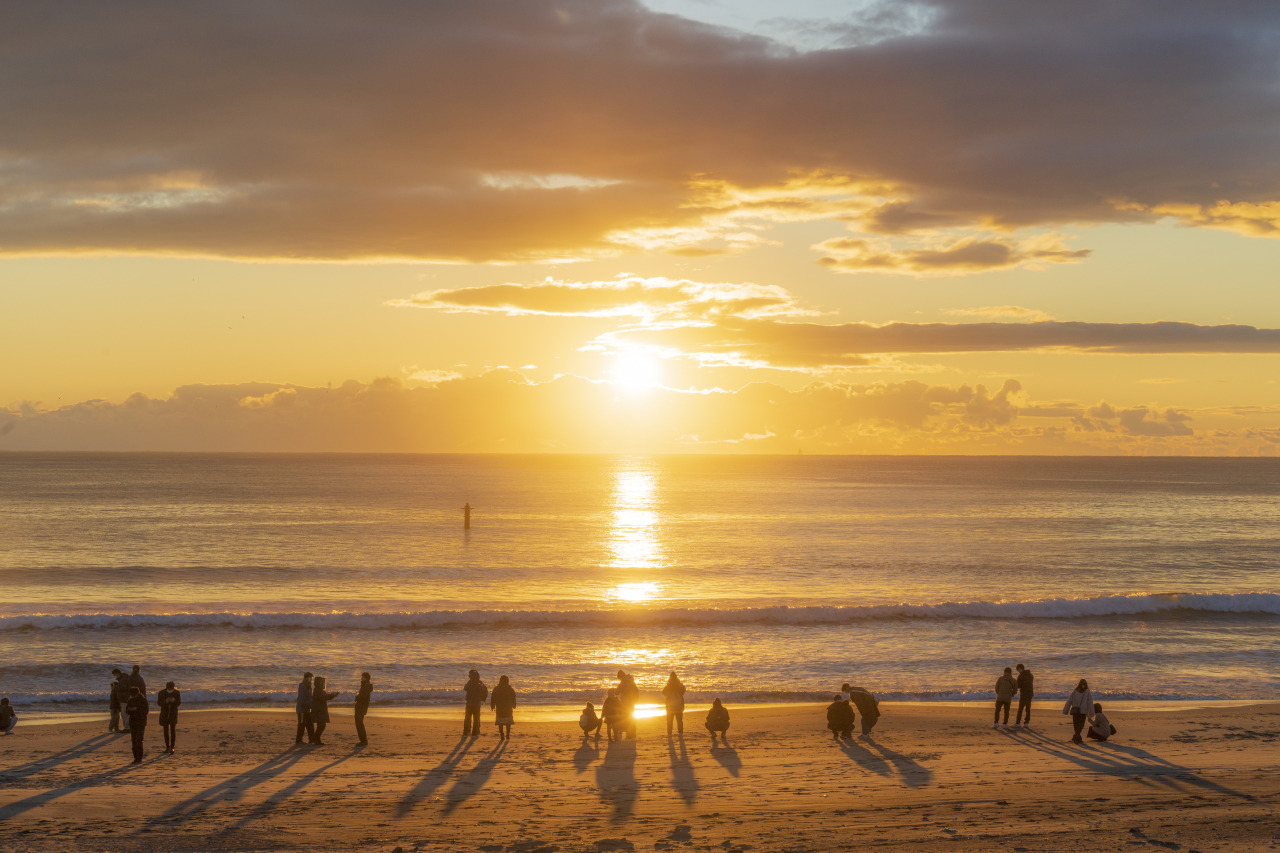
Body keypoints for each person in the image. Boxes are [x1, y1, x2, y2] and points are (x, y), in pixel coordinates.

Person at [1062, 679, 1094, 744]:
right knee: (1080, 726)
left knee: (1076, 726)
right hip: (1083, 712)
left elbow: (1069, 701)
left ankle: (1077, 738)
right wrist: (1091, 713)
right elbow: (1090, 703)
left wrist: (1066, 710)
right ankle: (1076, 737)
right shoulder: (1087, 692)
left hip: (1075, 711)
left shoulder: (1075, 691)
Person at [310, 676, 339, 745]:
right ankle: (316, 738)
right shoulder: (317, 690)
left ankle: (317, 739)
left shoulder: (320, 690)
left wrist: (332, 695)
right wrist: (332, 695)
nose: (323, 683)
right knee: (322, 725)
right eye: (322, 682)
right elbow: (324, 697)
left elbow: (325, 697)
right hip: (318, 710)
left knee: (321, 725)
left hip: (320, 710)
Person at [124, 685, 148, 763]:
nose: (131, 695)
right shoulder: (130, 700)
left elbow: (145, 711)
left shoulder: (142, 700)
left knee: (138, 740)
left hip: (140, 722)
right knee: (134, 740)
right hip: (133, 722)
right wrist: (130, 709)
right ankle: (135, 757)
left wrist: (136, 709)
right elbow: (127, 711)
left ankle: (139, 758)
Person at [156, 681, 181, 754]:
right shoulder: (161, 693)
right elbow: (159, 703)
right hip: (165, 713)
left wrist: (174, 701)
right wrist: (165, 701)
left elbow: (178, 703)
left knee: (173, 730)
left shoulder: (176, 693)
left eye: (171, 689)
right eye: (169, 689)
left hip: (173, 713)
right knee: (165, 731)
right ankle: (167, 746)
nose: (170, 690)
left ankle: (172, 746)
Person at [463, 669, 488, 737]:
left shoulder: (469, 683)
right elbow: (485, 691)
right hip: (477, 703)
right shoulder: (480, 683)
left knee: (467, 718)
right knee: (476, 719)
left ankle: (466, 732)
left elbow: (465, 688)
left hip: (469, 703)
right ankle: (474, 733)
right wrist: (483, 699)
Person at [490, 674, 516, 740]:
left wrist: (492, 706)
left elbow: (493, 698)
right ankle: (507, 734)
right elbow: (513, 697)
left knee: (500, 722)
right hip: (508, 708)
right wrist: (514, 705)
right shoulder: (510, 688)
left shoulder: (496, 688)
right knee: (508, 722)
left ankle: (502, 735)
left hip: (499, 708)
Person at [662, 671, 686, 736]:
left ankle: (669, 733)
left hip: (670, 706)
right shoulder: (679, 684)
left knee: (670, 721)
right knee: (679, 721)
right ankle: (680, 733)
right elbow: (683, 691)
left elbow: (663, 693)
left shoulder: (669, 685)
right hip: (678, 705)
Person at [616, 670, 639, 740]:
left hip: (625, 702)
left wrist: (613, 690)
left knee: (627, 718)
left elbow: (617, 692)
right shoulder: (632, 681)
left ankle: (629, 735)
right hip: (632, 702)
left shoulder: (623, 682)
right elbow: (636, 691)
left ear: (620, 676)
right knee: (631, 717)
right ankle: (633, 735)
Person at [295, 672, 315, 744]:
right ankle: (298, 740)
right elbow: (302, 698)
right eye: (309, 677)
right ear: (306, 678)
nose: (311, 679)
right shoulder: (302, 686)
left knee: (310, 724)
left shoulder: (309, 686)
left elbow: (310, 697)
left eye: (311, 678)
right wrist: (306, 705)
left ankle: (311, 739)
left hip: (307, 709)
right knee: (301, 724)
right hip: (302, 709)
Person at [354, 672, 372, 745]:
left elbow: (363, 697)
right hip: (361, 707)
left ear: (366, 678)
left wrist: (357, 697)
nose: (361, 678)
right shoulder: (365, 686)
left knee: (359, 723)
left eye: (363, 677)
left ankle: (363, 740)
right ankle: (363, 740)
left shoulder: (366, 686)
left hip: (361, 707)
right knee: (359, 723)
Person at [109, 668, 125, 732]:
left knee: (117, 718)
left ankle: (116, 728)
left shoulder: (114, 691)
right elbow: (114, 700)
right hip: (114, 707)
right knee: (114, 718)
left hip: (115, 706)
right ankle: (110, 728)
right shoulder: (114, 692)